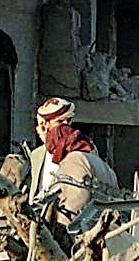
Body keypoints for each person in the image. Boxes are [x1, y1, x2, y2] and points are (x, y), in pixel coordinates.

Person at [27, 97, 118, 227]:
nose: (65, 125)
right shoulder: (37, 155)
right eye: (59, 121)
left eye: (68, 120)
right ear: (44, 124)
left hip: (67, 221)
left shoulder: (82, 151)